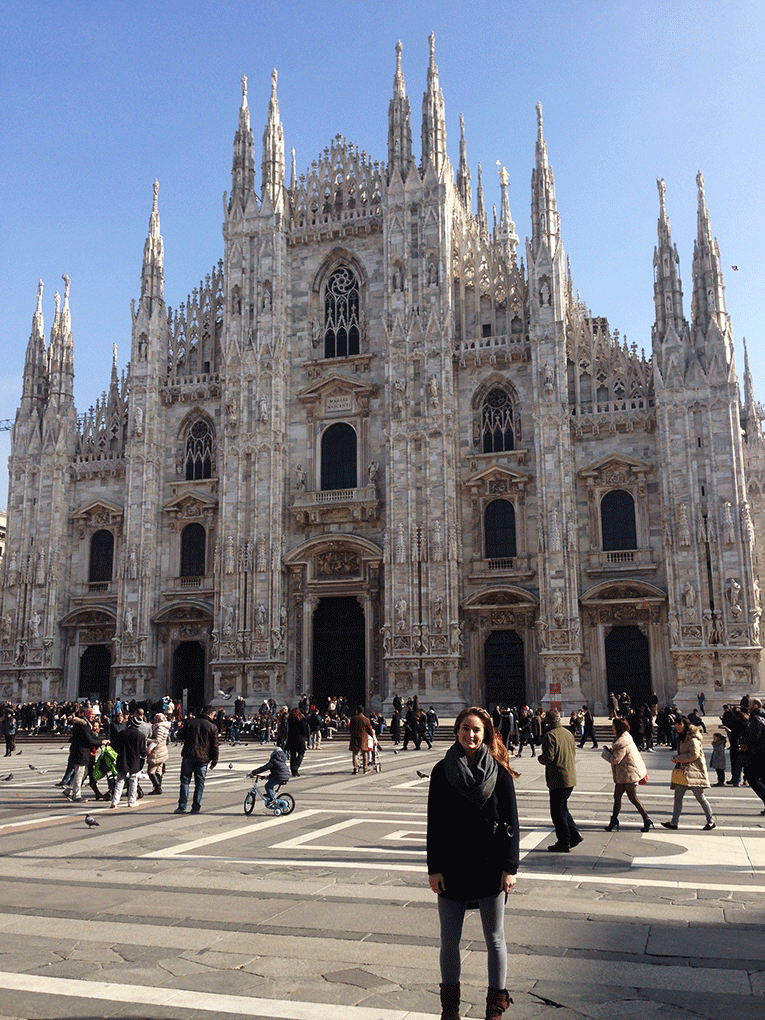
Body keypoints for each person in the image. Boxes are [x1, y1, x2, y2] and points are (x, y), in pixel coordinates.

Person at [427, 707, 518, 1020]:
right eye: (466, 728)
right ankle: (449, 1011)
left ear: (486, 734)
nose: (471, 734)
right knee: (449, 941)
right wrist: (434, 868)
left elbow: (512, 822)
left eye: (476, 729)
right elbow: (434, 823)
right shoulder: (442, 771)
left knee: (495, 939)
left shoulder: (500, 773)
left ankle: (495, 1009)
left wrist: (510, 868)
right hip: (452, 867)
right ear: (456, 731)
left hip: (489, 867)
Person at [661, 715, 716, 830]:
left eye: (680, 724)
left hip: (694, 771)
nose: (677, 727)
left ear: (685, 724)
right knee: (677, 797)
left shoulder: (692, 737)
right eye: (676, 724)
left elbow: (694, 755)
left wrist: (678, 758)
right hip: (683, 771)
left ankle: (711, 821)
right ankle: (674, 822)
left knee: (700, 797)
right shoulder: (682, 737)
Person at [538, 709, 582, 852]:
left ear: (548, 721)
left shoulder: (550, 735)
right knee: (562, 808)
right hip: (570, 776)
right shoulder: (568, 733)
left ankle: (564, 841)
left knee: (557, 812)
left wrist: (540, 758)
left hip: (558, 778)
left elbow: (548, 757)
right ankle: (574, 835)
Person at [600, 718, 652, 831]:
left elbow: (615, 759)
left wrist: (605, 753)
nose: (612, 728)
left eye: (613, 726)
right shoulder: (625, 738)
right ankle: (614, 820)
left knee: (633, 798)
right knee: (617, 797)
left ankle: (646, 819)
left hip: (628, 775)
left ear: (618, 728)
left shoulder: (622, 743)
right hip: (624, 775)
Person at [174, 705, 219, 814]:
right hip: (203, 758)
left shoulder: (190, 722)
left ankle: (182, 806)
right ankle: (196, 807)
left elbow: (179, 735)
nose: (214, 717)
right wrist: (214, 761)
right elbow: (215, 746)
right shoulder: (212, 727)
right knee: (200, 783)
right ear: (210, 714)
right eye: (213, 715)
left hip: (188, 755)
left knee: (185, 781)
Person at [110, 712, 148, 808]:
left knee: (120, 780)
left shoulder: (121, 733)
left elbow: (115, 746)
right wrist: (145, 754)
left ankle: (115, 801)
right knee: (133, 781)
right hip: (134, 760)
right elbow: (143, 752)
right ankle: (131, 801)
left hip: (122, 759)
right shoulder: (140, 735)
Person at [147, 712, 171, 794]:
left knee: (150, 771)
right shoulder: (165, 726)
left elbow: (157, 740)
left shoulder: (160, 727)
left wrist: (148, 741)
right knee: (158, 770)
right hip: (162, 750)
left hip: (157, 751)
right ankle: (157, 788)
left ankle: (157, 787)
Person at [348, 705, 374, 775]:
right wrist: (372, 736)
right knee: (365, 753)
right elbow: (369, 729)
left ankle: (356, 769)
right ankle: (365, 768)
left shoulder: (353, 719)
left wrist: (353, 734)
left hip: (355, 738)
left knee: (355, 753)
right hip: (363, 738)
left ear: (357, 711)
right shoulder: (366, 719)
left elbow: (350, 728)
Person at [285, 707, 310, 777]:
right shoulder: (302, 719)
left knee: (292, 755)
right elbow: (304, 729)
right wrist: (306, 735)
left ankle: (293, 771)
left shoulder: (290, 719)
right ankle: (295, 767)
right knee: (301, 754)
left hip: (291, 738)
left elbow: (288, 729)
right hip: (300, 738)